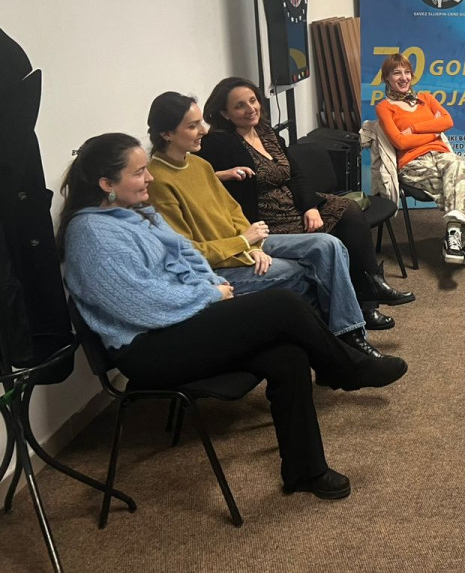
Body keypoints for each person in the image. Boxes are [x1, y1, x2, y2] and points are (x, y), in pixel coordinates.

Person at [59, 133, 408, 500]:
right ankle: (345, 367)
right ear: (106, 184)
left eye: (146, 170)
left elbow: (188, 258)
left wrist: (211, 284)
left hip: (183, 323)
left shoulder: (137, 214)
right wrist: (210, 293)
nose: (149, 179)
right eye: (139, 173)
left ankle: (306, 470)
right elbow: (141, 305)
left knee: (288, 355)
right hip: (148, 349)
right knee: (282, 304)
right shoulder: (91, 235)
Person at [145, 92, 382, 357]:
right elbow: (188, 252)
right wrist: (244, 242)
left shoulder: (198, 164)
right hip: (218, 265)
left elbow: (232, 211)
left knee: (329, 246)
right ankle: (341, 345)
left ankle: (345, 336)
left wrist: (254, 245)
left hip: (244, 247)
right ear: (166, 134)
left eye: (201, 122)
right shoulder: (158, 182)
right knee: (307, 273)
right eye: (192, 126)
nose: (203, 130)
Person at [197, 77, 413, 334]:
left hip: (295, 204)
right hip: (268, 218)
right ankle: (365, 304)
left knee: (348, 210)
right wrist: (223, 175)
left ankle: (370, 291)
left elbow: (296, 173)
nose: (250, 109)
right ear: (225, 113)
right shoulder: (219, 142)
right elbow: (194, 174)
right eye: (240, 106)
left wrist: (310, 206)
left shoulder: (266, 132)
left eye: (253, 101)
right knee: (334, 239)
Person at [375, 53, 465, 270]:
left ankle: (453, 234)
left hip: (441, 155)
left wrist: (415, 129)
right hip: (413, 162)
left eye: (407, 72)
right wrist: (432, 131)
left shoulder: (426, 98)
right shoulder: (384, 107)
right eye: (397, 72)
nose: (403, 77)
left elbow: (447, 121)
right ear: (386, 77)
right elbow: (399, 142)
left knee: (457, 165)